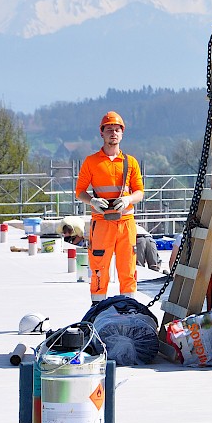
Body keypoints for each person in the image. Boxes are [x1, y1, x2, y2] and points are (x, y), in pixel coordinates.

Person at [75, 111, 145, 304]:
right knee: (99, 269)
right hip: (102, 223)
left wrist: (128, 199)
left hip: (125, 223)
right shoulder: (91, 162)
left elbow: (140, 191)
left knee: (128, 269)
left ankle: (128, 308)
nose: (113, 133)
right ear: (102, 134)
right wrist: (92, 201)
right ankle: (97, 308)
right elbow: (79, 190)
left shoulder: (130, 163)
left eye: (117, 130)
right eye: (109, 130)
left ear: (122, 134)